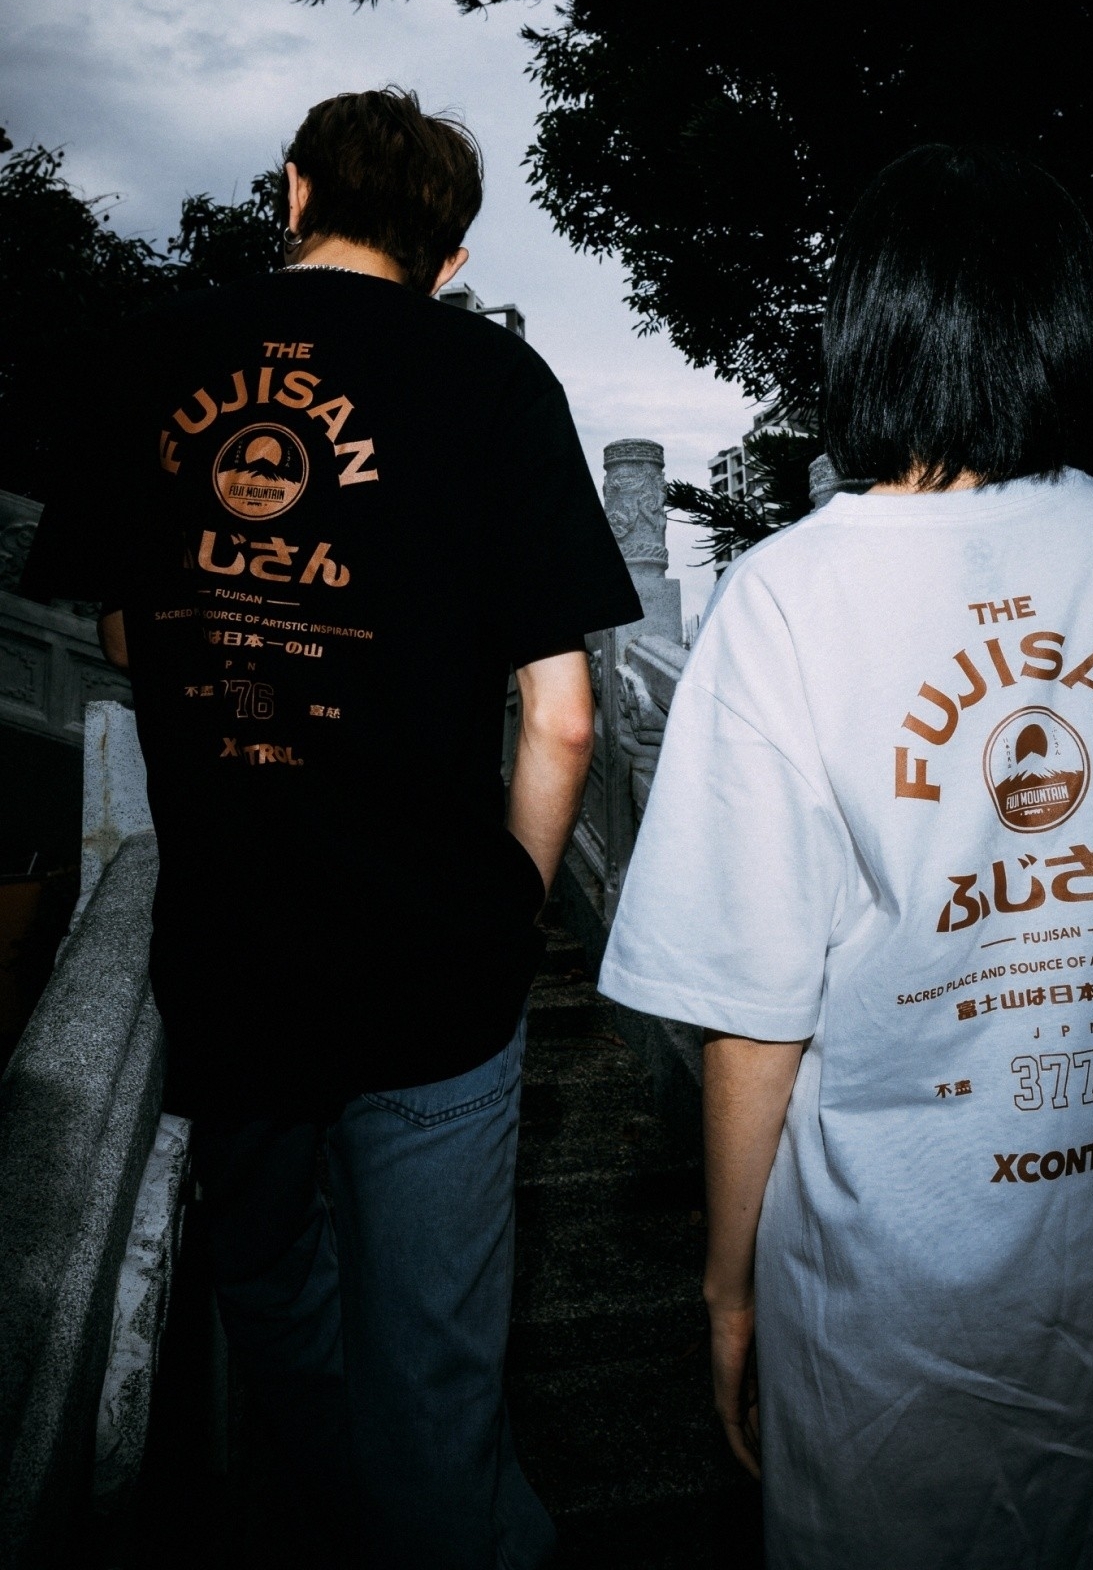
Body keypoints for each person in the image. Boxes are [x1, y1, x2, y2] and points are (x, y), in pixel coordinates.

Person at [597, 144, 1093, 1570]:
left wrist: (726, 1290)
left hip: (900, 1339)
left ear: (865, 328)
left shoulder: (787, 598)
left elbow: (752, 1021)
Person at [23, 88, 641, 1568]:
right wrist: (508, 902)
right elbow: (563, 717)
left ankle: (341, 1505)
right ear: (452, 252)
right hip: (432, 964)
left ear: (293, 192)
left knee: (265, 1280)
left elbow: (126, 625)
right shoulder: (494, 379)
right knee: (436, 1378)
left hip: (231, 946)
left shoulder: (152, 349)